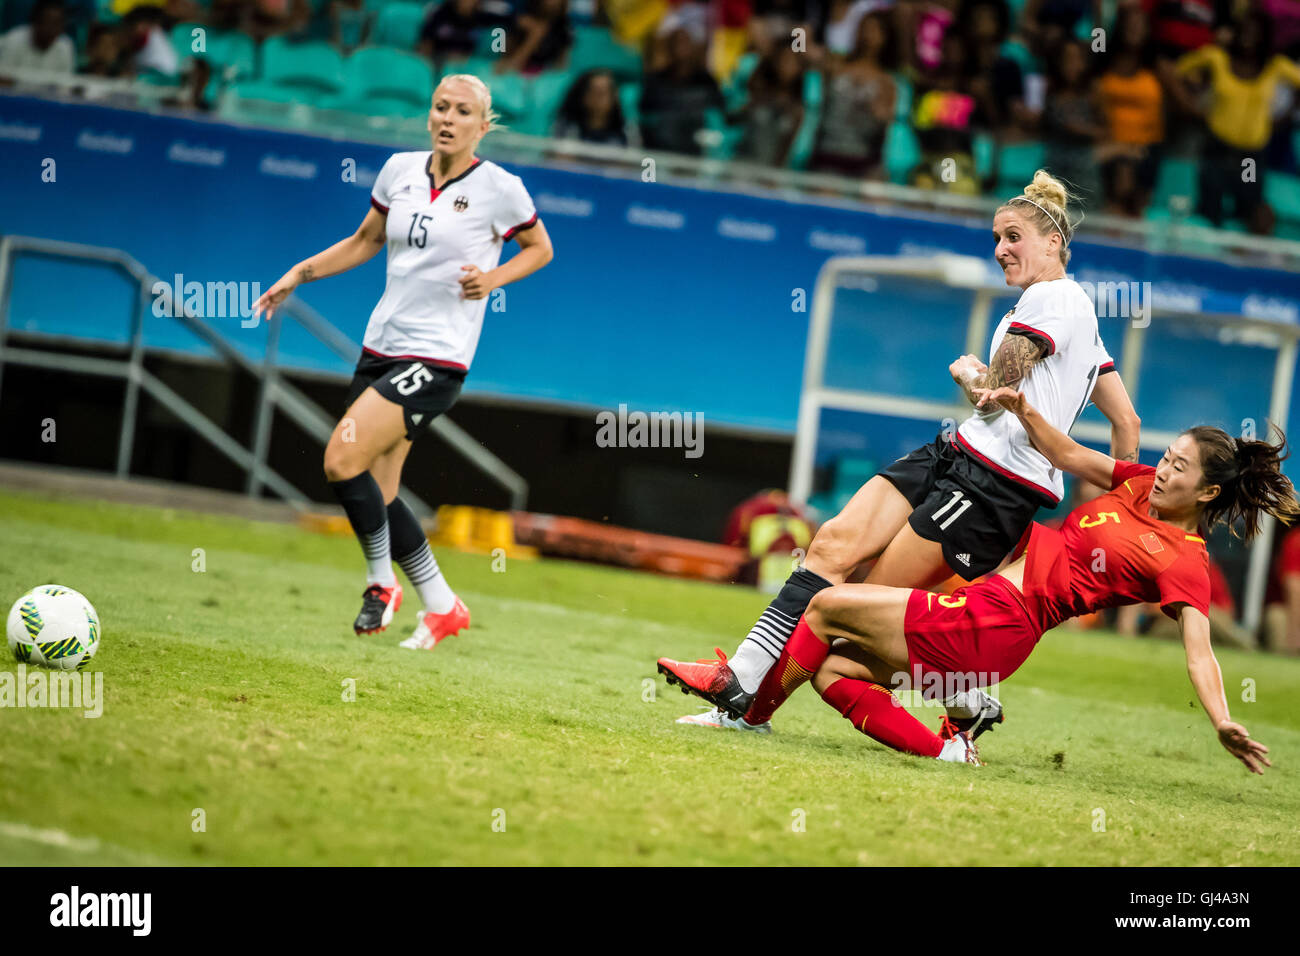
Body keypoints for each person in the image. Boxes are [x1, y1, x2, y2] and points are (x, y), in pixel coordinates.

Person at [659, 170, 1141, 732]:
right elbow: (1126, 421)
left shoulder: (1054, 297)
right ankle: (740, 679)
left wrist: (969, 375)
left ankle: (955, 695)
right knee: (833, 542)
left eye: (1013, 236)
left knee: (857, 612)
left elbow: (995, 392)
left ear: (1054, 241)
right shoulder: (1071, 312)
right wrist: (1122, 510)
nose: (1000, 250)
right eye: (995, 239)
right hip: (956, 452)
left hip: (994, 486)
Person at [773, 386, 1296, 772]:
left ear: (1206, 494)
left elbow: (1199, 651)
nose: (1161, 471)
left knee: (826, 605)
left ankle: (747, 711)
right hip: (986, 602)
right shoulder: (1138, 487)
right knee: (834, 671)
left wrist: (1223, 719)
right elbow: (1068, 455)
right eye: (1166, 457)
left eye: (1179, 468)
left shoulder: (1185, 561)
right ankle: (953, 738)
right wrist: (1024, 409)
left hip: (1001, 621)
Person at [251, 75, 554, 648]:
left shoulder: (500, 189)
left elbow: (541, 248)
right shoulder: (399, 170)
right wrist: (298, 273)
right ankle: (442, 606)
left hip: (437, 358)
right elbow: (366, 240)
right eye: (441, 107)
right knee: (382, 492)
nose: (448, 118)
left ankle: (379, 583)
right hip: (381, 346)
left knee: (341, 459)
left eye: (463, 111)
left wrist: (492, 278)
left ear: (482, 126)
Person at [1173, 11, 1300, 233]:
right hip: (1217, 149)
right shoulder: (1216, 58)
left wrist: (1289, 113)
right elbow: (1178, 70)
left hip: (1249, 157)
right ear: (1236, 34)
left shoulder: (1275, 66)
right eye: (1244, 32)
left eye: (1255, 33)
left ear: (1264, 37)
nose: (1248, 37)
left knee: (1249, 210)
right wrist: (1190, 104)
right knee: (1210, 210)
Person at [0, 0, 74, 75]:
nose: (52, 29)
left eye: (57, 24)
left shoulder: (65, 46)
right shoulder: (13, 40)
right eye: (48, 22)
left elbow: (65, 84)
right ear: (35, 22)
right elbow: (3, 79)